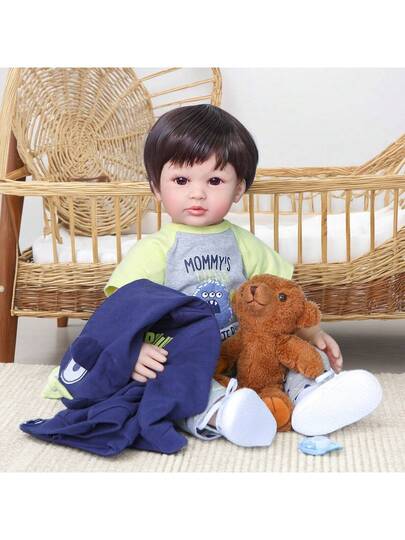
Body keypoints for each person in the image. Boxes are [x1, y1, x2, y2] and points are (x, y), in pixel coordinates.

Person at [104, 104, 382, 447]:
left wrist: (313, 332)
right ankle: (224, 414)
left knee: (294, 352)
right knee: (173, 382)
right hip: (185, 356)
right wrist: (134, 349)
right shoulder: (156, 250)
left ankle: (313, 397)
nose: (197, 193)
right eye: (181, 180)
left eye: (215, 181)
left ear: (238, 189)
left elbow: (282, 297)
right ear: (157, 188)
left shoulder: (243, 243)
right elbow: (119, 311)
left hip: (245, 352)